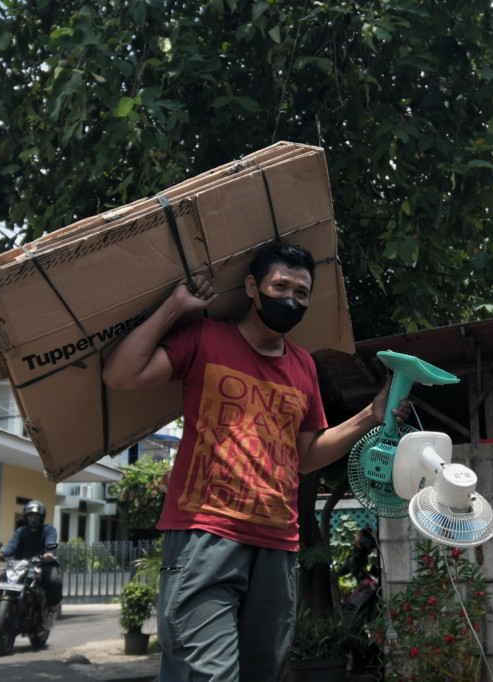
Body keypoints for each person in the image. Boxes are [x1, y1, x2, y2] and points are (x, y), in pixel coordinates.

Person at [102, 240, 411, 682]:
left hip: (277, 546)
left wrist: (370, 416)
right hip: (204, 535)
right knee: (207, 674)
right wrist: (175, 307)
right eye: (280, 286)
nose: (290, 300)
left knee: (261, 674)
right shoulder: (205, 338)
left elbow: (306, 458)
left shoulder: (303, 367)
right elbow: (120, 374)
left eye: (301, 293)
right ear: (252, 286)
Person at [0, 500, 62, 613]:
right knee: (0, 581)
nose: (33, 518)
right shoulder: (21, 531)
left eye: (36, 515)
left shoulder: (49, 530)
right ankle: (5, 609)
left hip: (43, 564)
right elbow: (12, 546)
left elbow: (50, 542)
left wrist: (49, 553)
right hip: (22, 565)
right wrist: (2, 554)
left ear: (42, 517)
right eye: (30, 515)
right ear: (26, 517)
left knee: (53, 579)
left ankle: (52, 604)